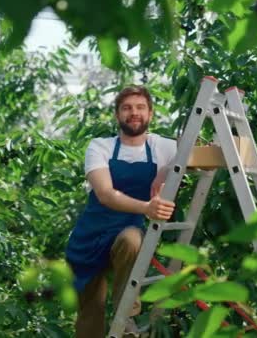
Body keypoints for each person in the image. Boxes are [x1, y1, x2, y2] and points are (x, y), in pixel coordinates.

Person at [65, 86, 177, 338]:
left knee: (132, 240)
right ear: (117, 115)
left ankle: (125, 320)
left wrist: (165, 170)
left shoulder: (163, 146)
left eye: (140, 107)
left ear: (150, 113)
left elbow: (198, 149)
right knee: (89, 318)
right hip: (90, 237)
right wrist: (147, 207)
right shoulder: (100, 147)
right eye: (126, 108)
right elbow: (105, 194)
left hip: (127, 230)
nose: (133, 113)